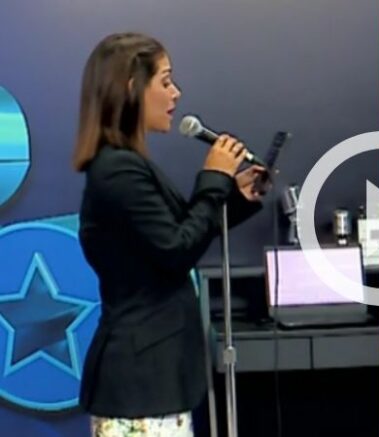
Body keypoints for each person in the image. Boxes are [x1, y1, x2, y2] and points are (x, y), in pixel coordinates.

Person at [72, 33, 270, 437]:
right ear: (132, 88)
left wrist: (233, 195)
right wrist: (213, 178)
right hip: (139, 385)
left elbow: (182, 232)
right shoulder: (117, 170)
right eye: (165, 81)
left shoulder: (128, 165)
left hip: (156, 381)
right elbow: (175, 249)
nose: (176, 93)